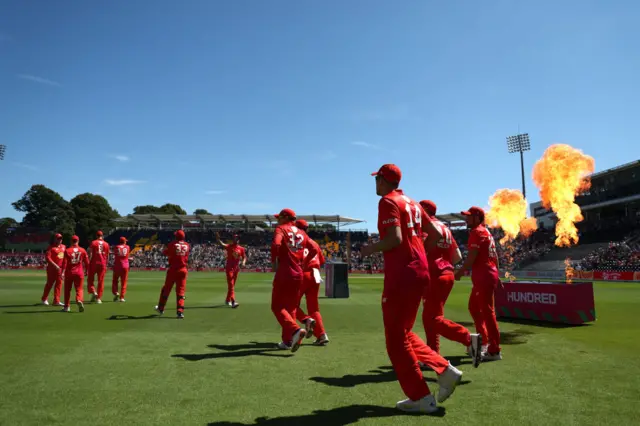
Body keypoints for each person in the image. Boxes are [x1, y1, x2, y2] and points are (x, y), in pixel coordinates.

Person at [360, 164, 462, 414]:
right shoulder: (413, 203)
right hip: (420, 272)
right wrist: (417, 248)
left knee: (396, 340)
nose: (375, 184)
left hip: (402, 274)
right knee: (403, 332)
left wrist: (369, 249)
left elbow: (394, 238)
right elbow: (435, 232)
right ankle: (444, 370)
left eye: (377, 179)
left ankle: (421, 396)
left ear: (383, 180)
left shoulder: (388, 201)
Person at [419, 200, 482, 368]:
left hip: (434, 275)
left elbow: (420, 252)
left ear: (424, 211)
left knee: (432, 319)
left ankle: (468, 338)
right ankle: (433, 355)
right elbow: (457, 256)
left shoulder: (425, 227)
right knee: (431, 317)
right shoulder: (445, 228)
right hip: (447, 273)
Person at [454, 206, 502, 361]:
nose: (466, 219)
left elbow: (471, 258)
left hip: (484, 276)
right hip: (487, 274)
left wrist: (460, 272)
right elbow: (495, 257)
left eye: (469, 216)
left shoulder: (477, 232)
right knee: (474, 308)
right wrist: (497, 275)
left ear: (477, 218)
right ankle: (484, 342)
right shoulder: (485, 231)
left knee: (488, 312)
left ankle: (494, 350)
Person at [271, 208, 318, 353]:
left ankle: (295, 330)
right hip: (298, 274)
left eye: (279, 217)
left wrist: (274, 262)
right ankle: (288, 341)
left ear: (285, 218)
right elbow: (315, 249)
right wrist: (304, 262)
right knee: (291, 308)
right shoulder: (302, 233)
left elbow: (276, 244)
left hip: (285, 272)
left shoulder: (281, 229)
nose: (277, 220)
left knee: (277, 307)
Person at [294, 219, 329, 346]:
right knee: (314, 307)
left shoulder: (296, 242)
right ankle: (321, 334)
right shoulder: (314, 243)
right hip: (315, 275)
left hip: (303, 273)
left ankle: (305, 323)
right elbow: (322, 260)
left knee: (292, 305)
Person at [155, 230, 190, 319]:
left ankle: (161, 308)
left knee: (166, 289)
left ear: (176, 237)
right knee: (181, 292)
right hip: (183, 269)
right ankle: (180, 312)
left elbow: (166, 253)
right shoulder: (187, 245)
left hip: (173, 269)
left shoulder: (172, 244)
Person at [216, 232, 246, 308]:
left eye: (237, 238)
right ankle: (233, 301)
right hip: (229, 269)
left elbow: (244, 257)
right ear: (233, 239)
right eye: (235, 238)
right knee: (231, 286)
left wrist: (243, 262)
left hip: (236, 269)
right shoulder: (229, 246)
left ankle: (227, 300)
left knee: (232, 286)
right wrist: (218, 239)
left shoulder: (241, 248)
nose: (237, 239)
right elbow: (222, 244)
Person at [60, 235, 89, 313]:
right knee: (79, 289)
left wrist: (62, 273)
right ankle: (79, 300)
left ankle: (67, 307)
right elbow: (87, 262)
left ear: (71, 241)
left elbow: (64, 263)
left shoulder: (67, 250)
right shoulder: (83, 250)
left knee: (67, 290)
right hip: (79, 272)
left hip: (69, 272)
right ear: (78, 241)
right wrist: (87, 270)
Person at [40, 233, 66, 306]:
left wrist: (63, 269)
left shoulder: (64, 247)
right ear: (55, 239)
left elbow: (65, 258)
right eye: (58, 238)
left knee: (59, 285)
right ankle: (44, 299)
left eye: (61, 238)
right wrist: (55, 265)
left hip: (60, 269)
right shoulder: (51, 248)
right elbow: (48, 258)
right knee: (49, 284)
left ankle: (56, 301)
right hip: (52, 269)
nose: (60, 240)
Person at [88, 231, 110, 304]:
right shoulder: (106, 244)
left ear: (96, 235)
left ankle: (93, 291)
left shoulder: (93, 243)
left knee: (90, 280)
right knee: (101, 281)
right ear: (102, 236)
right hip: (102, 264)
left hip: (94, 263)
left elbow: (90, 254)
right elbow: (107, 256)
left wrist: (88, 263)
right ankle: (99, 299)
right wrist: (106, 265)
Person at [112, 236, 130, 302]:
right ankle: (122, 297)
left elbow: (116, 255)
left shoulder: (116, 247)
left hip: (117, 265)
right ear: (124, 241)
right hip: (125, 265)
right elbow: (126, 255)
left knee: (115, 281)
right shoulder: (127, 247)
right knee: (124, 282)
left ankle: (115, 292)